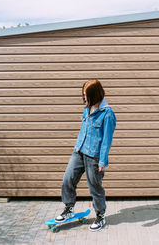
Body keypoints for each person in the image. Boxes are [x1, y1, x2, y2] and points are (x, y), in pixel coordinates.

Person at [55, 79, 117, 231]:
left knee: (95, 187)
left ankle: (100, 216)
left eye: (86, 95)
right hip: (79, 151)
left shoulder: (107, 114)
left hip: (94, 156)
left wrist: (103, 161)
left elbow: (107, 141)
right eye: (83, 94)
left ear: (94, 95)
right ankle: (69, 209)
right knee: (67, 179)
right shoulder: (86, 108)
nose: (83, 98)